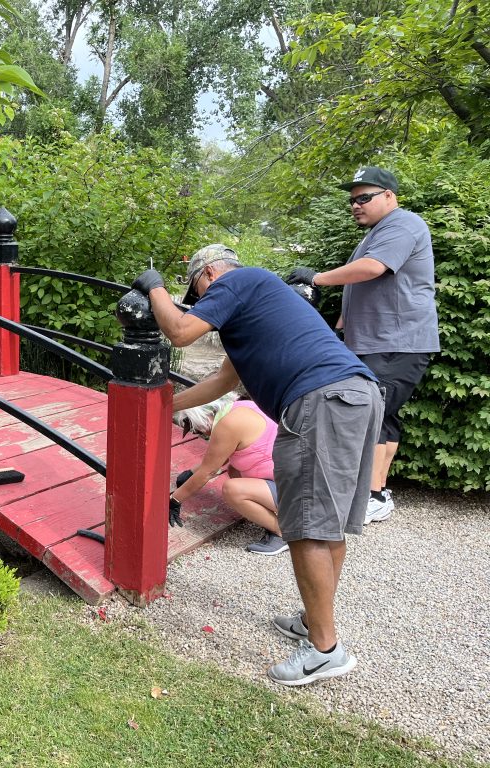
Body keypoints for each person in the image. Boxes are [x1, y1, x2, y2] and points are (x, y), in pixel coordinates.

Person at [133, 244, 382, 686]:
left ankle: (325, 650)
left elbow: (180, 331)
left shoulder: (239, 281)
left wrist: (155, 290)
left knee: (304, 526)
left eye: (198, 291)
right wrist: (162, 404)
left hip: (319, 400)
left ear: (209, 273)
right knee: (328, 523)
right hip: (355, 395)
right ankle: (313, 621)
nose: (202, 302)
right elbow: (224, 380)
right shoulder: (258, 308)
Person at [287, 166, 439, 524]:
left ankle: (371, 496)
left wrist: (316, 278)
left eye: (364, 197)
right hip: (376, 340)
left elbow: (372, 269)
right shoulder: (377, 232)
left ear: (390, 195)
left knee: (370, 414)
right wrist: (340, 328)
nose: (356, 205)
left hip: (396, 341)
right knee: (384, 415)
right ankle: (378, 492)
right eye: (352, 200)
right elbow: (363, 288)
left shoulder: (403, 224)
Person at [171, 394, 287, 556]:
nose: (198, 433)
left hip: (298, 494)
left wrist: (175, 500)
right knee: (234, 470)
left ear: (204, 417)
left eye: (195, 428)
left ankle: (282, 532)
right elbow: (222, 456)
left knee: (233, 490)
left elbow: (208, 471)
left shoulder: (228, 425)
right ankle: (274, 513)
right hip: (296, 482)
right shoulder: (241, 407)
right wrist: (190, 473)